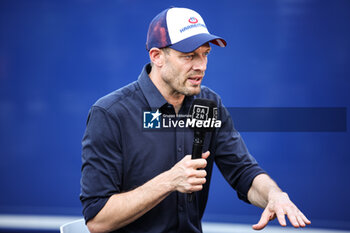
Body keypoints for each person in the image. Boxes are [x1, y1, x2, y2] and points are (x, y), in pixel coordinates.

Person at [80, 7, 311, 233]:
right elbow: (98, 220)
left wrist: (274, 195)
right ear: (157, 56)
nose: (200, 66)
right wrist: (170, 181)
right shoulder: (110, 113)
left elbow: (243, 171)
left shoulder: (209, 104)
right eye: (188, 56)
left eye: (205, 54)